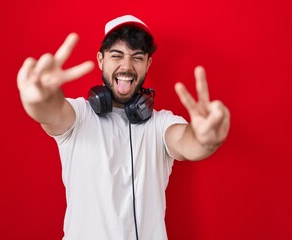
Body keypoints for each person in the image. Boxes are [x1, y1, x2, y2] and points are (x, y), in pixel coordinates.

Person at [17, 15, 230, 240]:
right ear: (101, 60)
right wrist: (36, 98)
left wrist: (206, 138)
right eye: (116, 55)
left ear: (148, 64)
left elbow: (189, 143)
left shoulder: (162, 123)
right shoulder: (78, 115)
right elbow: (50, 111)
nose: (126, 66)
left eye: (137, 57)